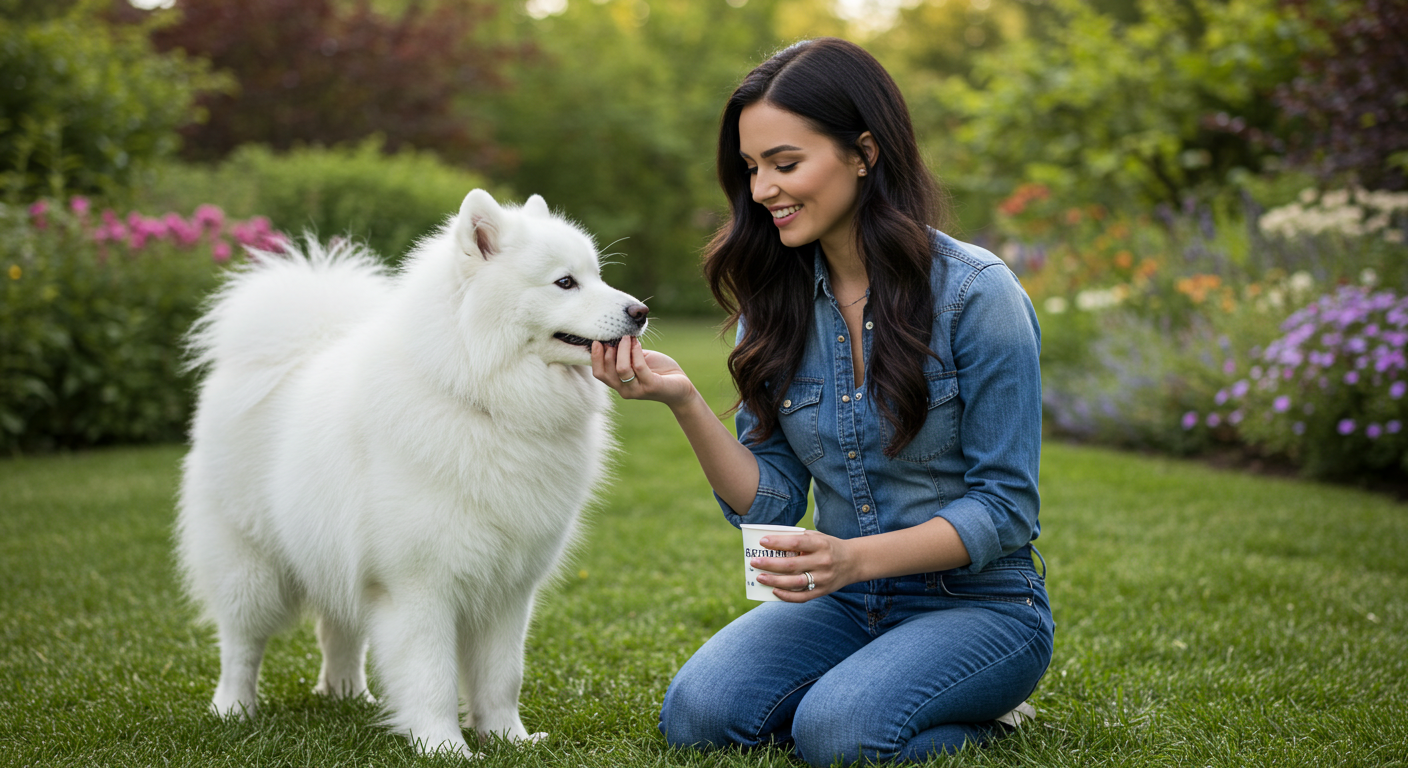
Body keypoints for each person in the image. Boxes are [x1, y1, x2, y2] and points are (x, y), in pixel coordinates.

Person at [589, 37, 1052, 766]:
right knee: (697, 715)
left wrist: (853, 559)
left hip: (980, 605)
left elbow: (1006, 508)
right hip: (843, 602)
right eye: (750, 169)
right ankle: (874, 687)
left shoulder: (976, 293)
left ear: (863, 153)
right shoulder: (773, 308)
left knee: (837, 734)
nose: (763, 190)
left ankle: (990, 712)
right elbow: (770, 505)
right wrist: (682, 401)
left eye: (786, 163)